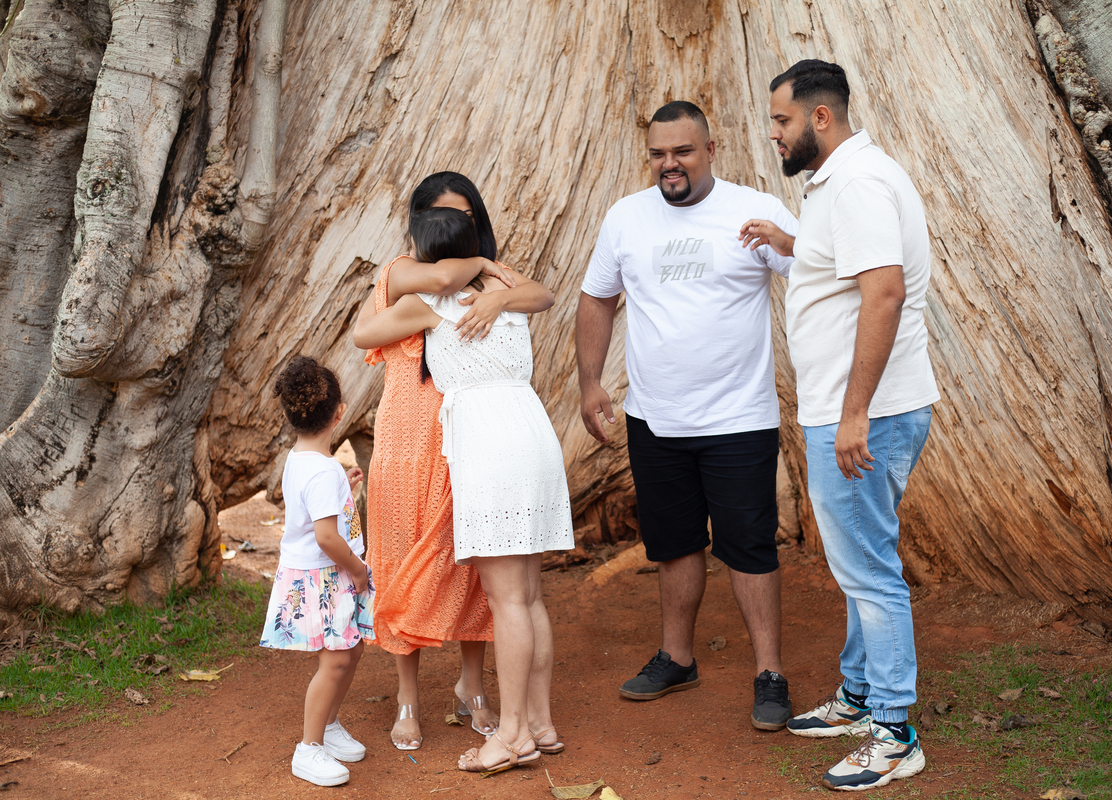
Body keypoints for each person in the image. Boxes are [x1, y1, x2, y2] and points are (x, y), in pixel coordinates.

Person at [742, 59, 939, 790]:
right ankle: (860, 695)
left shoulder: (856, 184)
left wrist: (854, 413)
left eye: (782, 120)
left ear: (819, 117)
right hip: (862, 410)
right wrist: (790, 243)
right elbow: (846, 263)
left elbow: (883, 293)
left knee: (869, 571)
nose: (774, 133)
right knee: (860, 560)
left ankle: (893, 731)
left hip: (864, 414)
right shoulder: (843, 180)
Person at [575, 100, 799, 731]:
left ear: (710, 150)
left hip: (738, 419)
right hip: (655, 419)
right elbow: (597, 299)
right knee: (673, 543)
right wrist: (590, 382)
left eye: (682, 151)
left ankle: (770, 673)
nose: (669, 164)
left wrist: (791, 243)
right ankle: (677, 658)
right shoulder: (626, 217)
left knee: (749, 547)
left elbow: (814, 271)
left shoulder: (753, 211)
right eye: (658, 153)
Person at [355, 206, 573, 774]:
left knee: (507, 601)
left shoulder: (428, 304)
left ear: (426, 254)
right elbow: (544, 294)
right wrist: (488, 274)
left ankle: (512, 736)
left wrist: (424, 283)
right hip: (531, 429)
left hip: (487, 441)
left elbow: (363, 334)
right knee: (529, 595)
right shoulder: (505, 287)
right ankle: (541, 724)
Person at [260, 356, 375, 787]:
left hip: (322, 573)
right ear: (340, 412)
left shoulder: (302, 459)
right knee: (336, 660)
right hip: (326, 576)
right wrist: (358, 571)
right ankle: (308, 748)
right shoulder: (323, 471)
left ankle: (327, 725)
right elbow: (327, 538)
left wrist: (345, 489)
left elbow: (317, 514)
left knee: (351, 652)